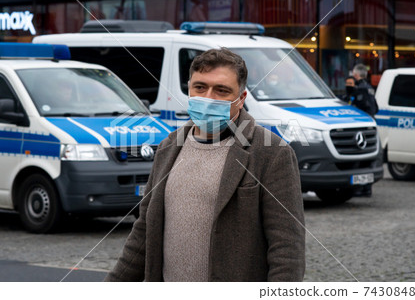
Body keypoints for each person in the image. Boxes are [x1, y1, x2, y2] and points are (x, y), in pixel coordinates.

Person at [105, 48, 306, 282]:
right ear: (189, 89)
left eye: (221, 90)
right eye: (200, 87)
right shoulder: (169, 147)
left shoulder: (271, 153)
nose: (208, 97)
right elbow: (144, 232)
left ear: (240, 99)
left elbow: (287, 250)